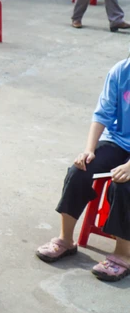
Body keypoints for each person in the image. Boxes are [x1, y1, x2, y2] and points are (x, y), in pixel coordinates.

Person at [36, 55, 130, 282]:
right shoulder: (121, 70)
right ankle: (66, 240)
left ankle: (123, 254)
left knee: (124, 185)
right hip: (118, 141)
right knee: (79, 170)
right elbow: (102, 114)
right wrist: (89, 150)